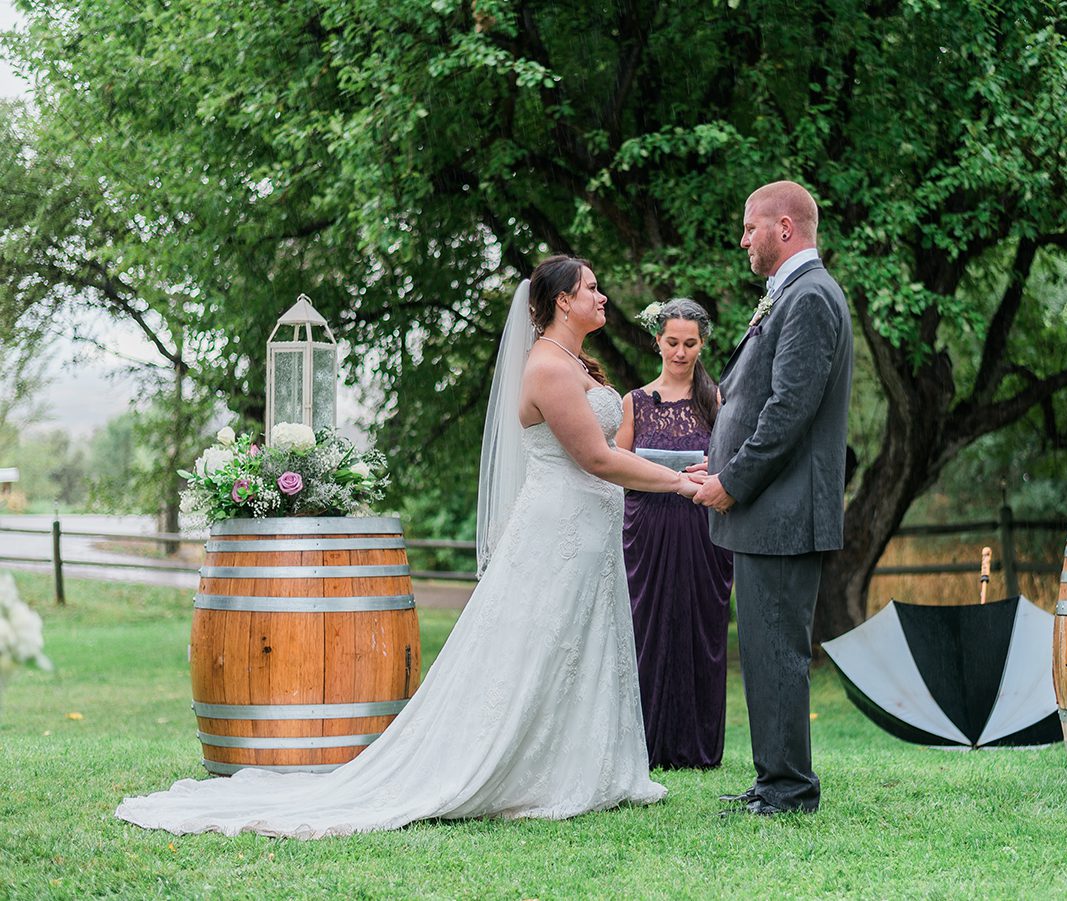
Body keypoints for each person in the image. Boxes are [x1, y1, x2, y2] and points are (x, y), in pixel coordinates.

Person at [115, 255, 705, 838]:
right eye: (592, 289)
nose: (603, 298)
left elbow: (610, 450)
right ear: (562, 302)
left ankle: (589, 770)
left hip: (587, 531)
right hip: (561, 529)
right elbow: (596, 458)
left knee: (582, 643)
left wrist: (681, 470)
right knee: (538, 647)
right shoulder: (548, 368)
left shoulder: (572, 362)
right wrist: (680, 483)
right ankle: (522, 770)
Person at [693, 181, 853, 816]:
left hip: (783, 512)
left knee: (777, 650)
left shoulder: (810, 297)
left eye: (749, 228)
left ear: (783, 228)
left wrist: (732, 482)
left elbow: (790, 409)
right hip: (770, 512)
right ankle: (773, 781)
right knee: (760, 651)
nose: (743, 240)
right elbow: (752, 395)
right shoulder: (790, 294)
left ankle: (788, 791)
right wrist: (722, 455)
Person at [616, 299, 735, 769]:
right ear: (657, 342)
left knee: (700, 629)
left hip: (704, 530)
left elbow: (735, 465)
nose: (680, 353)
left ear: (702, 344)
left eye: (690, 344)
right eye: (672, 343)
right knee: (648, 632)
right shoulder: (635, 402)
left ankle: (699, 748)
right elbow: (613, 468)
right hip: (646, 529)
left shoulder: (718, 402)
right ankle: (645, 746)